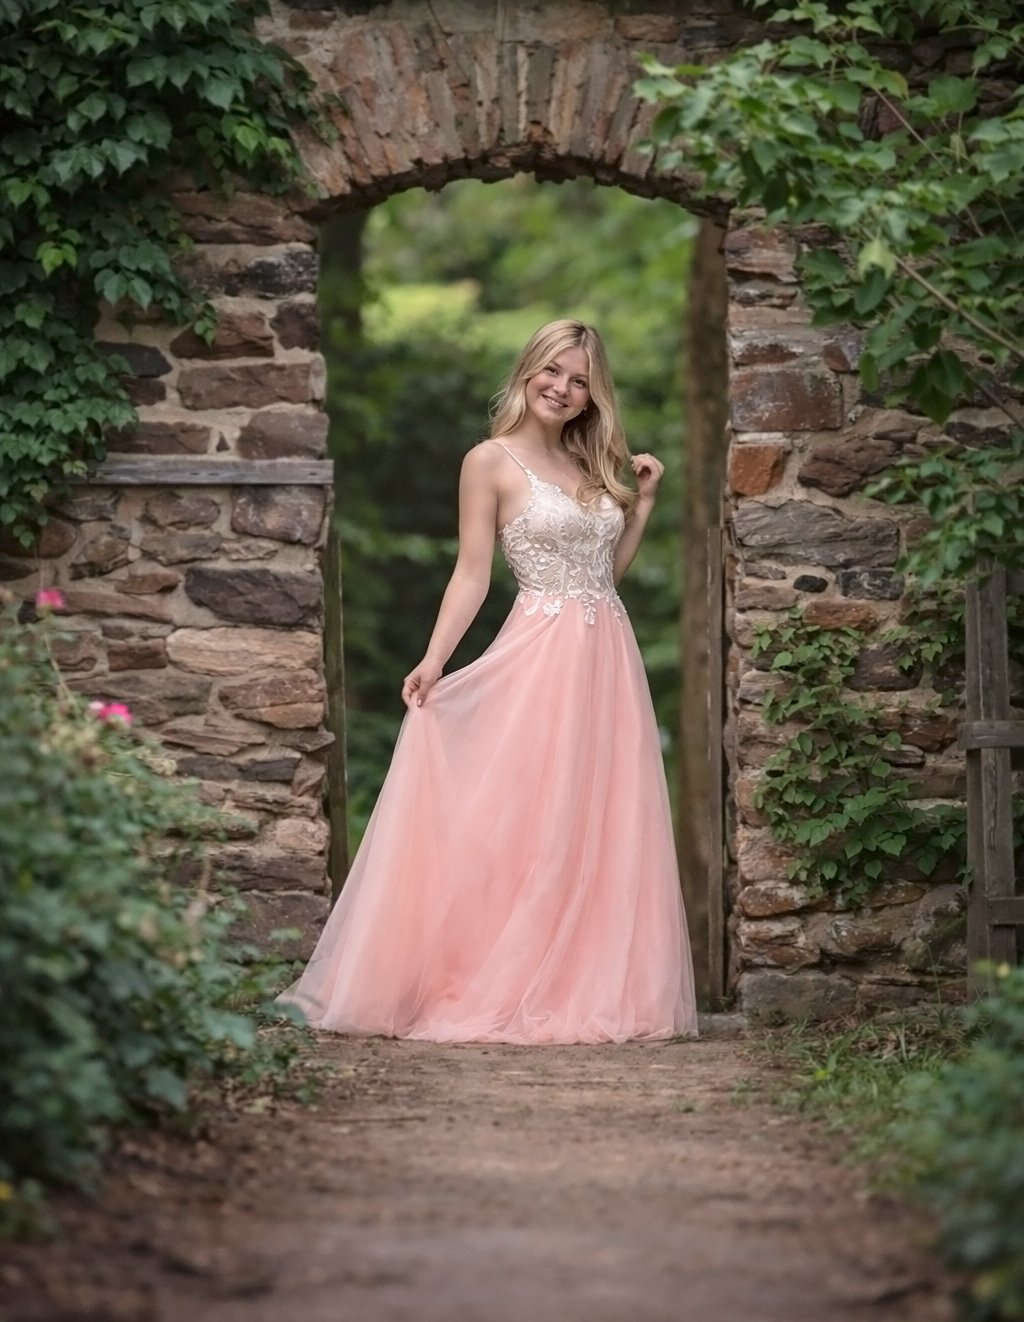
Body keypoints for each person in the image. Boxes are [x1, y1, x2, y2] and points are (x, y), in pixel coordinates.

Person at [277, 319, 698, 1044]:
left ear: (593, 397)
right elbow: (472, 574)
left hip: (608, 656)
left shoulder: (590, 466)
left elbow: (604, 576)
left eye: (579, 382)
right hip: (540, 654)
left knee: (600, 816)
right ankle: (490, 973)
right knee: (527, 816)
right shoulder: (489, 462)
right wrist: (436, 657)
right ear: (529, 369)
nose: (562, 389)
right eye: (553, 372)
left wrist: (644, 507)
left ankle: (584, 981)